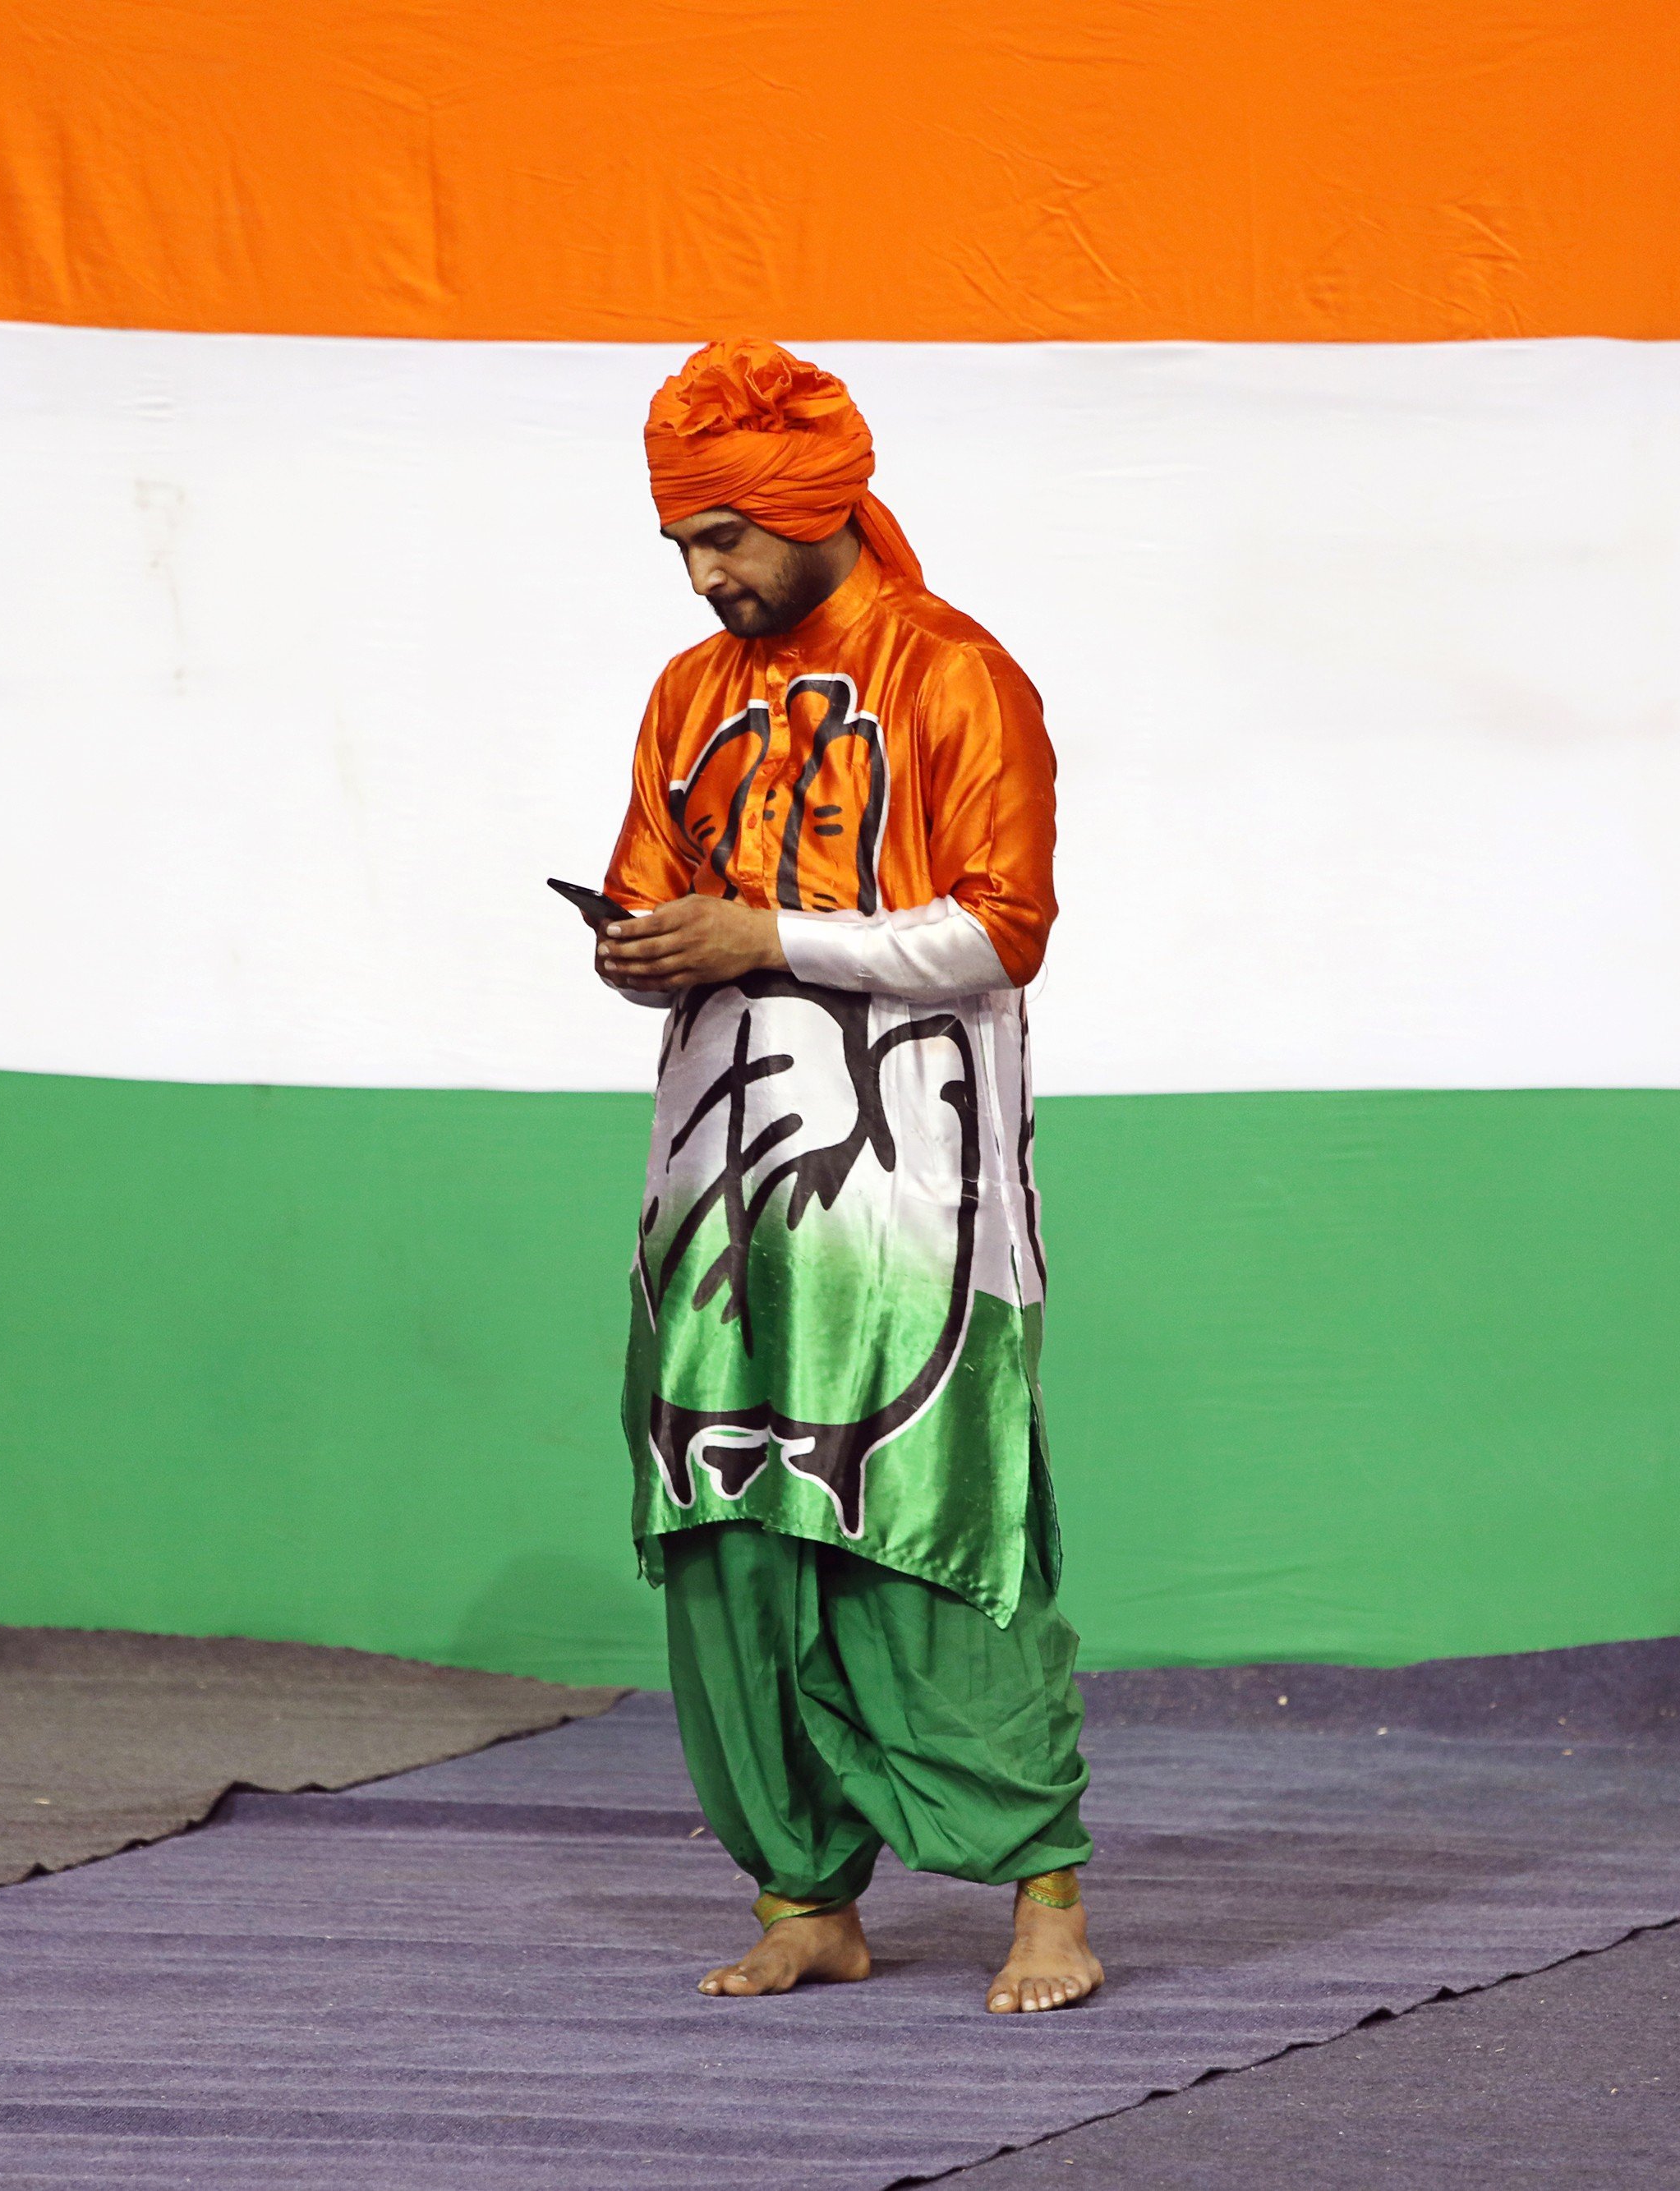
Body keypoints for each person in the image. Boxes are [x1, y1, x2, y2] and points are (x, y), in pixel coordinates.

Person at [592, 338, 1099, 2015]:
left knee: (936, 1526)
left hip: (915, 1200)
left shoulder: (955, 675)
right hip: (713, 1190)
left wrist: (770, 934)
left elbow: (997, 929)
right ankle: (801, 1889)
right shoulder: (687, 690)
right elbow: (652, 881)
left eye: (726, 536)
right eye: (684, 544)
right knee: (727, 1520)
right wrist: (648, 950)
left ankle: (1045, 1902)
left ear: (814, 512)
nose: (706, 571)